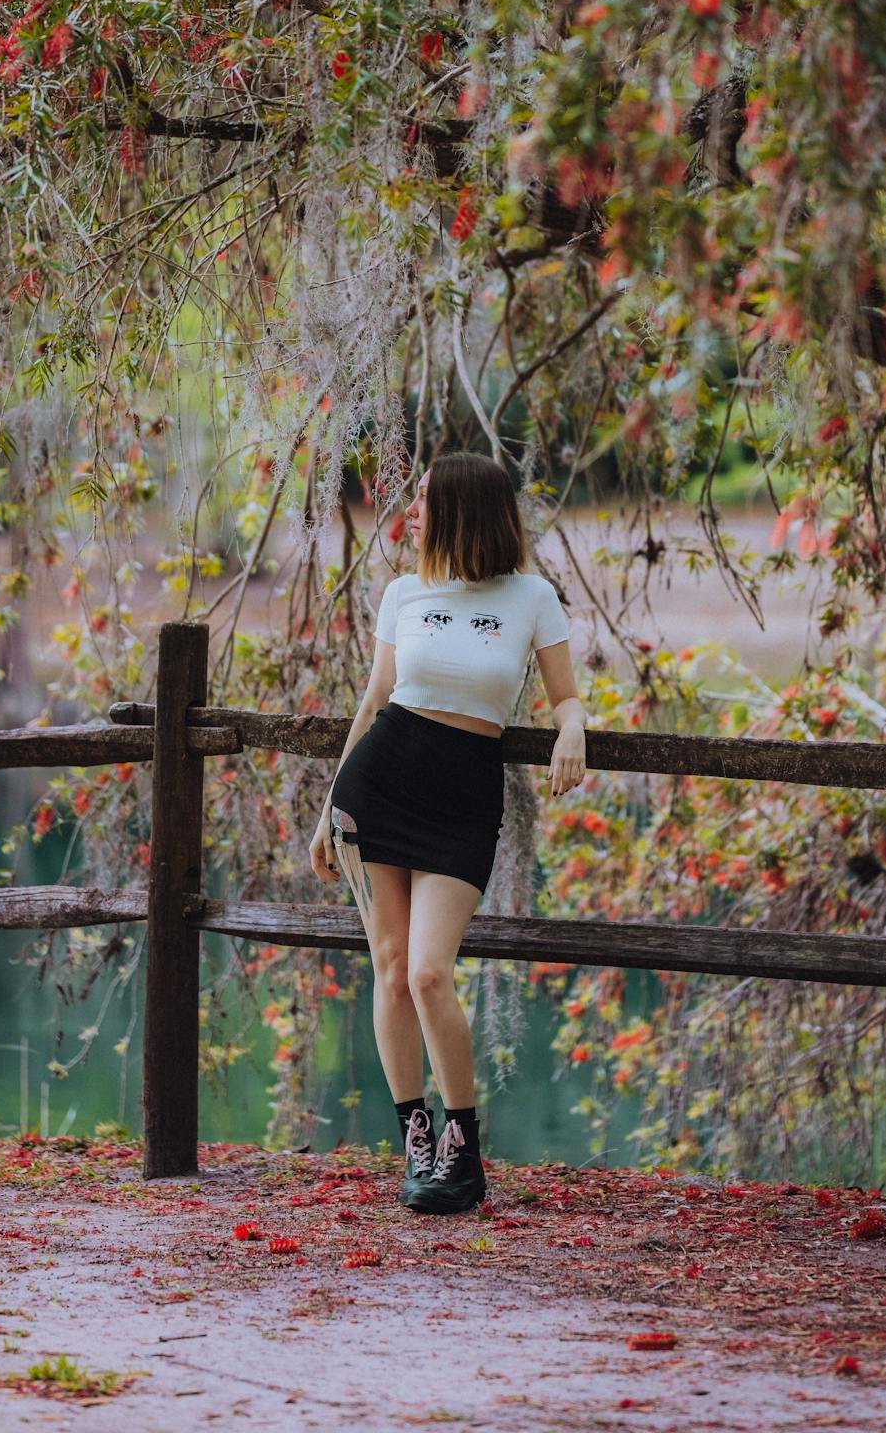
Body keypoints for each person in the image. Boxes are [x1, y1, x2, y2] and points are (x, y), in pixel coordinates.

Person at [307, 451, 586, 1215]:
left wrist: (572, 730)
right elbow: (372, 703)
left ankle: (463, 1151)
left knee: (431, 972)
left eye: (427, 498)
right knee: (392, 969)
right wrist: (325, 809)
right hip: (377, 788)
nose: (414, 510)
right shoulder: (404, 591)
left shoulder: (532, 596)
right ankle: (417, 1143)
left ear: (465, 506)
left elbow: (564, 697)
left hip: (464, 797)